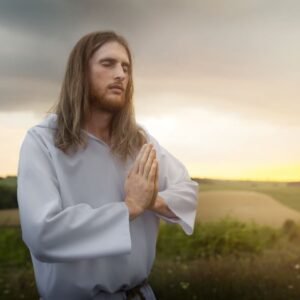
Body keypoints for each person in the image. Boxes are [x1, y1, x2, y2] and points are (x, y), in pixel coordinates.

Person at [17, 31, 199, 300]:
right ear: (80, 73)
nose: (121, 74)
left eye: (126, 67)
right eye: (108, 63)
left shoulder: (140, 141)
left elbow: (187, 190)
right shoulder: (43, 141)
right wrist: (128, 209)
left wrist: (152, 201)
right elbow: (43, 234)